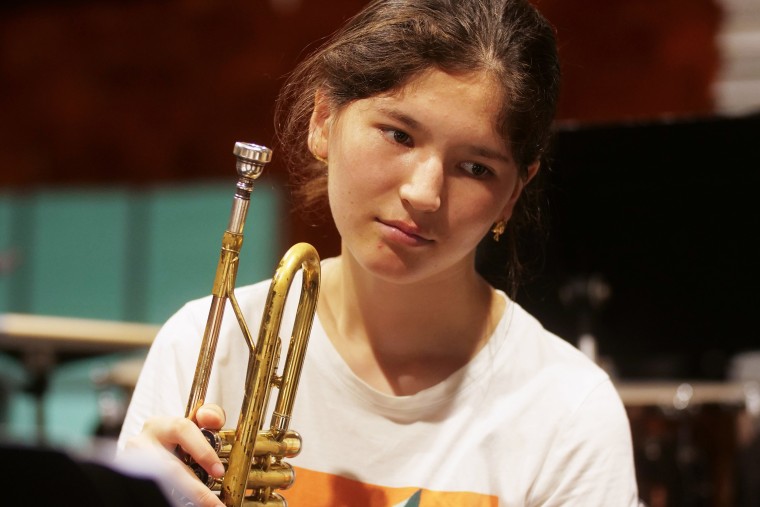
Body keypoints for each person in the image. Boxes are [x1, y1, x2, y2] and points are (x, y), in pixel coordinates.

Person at [118, 0, 639, 505]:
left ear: (514, 192)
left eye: (476, 167)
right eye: (399, 134)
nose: (424, 193)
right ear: (323, 119)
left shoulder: (570, 409)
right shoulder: (206, 348)